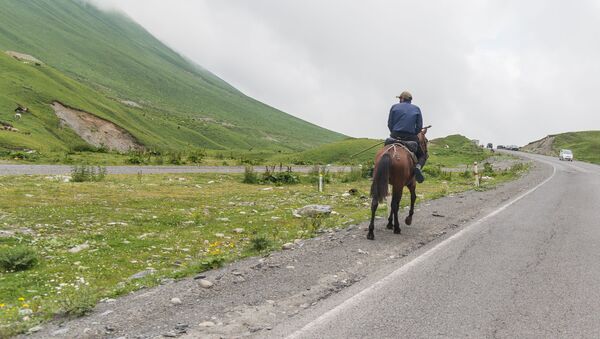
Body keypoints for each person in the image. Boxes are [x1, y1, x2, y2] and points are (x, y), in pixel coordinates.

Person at [388, 91, 428, 183]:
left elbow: (390, 124)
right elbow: (419, 127)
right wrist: (413, 133)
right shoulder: (417, 109)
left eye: (399, 99)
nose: (399, 100)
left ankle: (375, 168)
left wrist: (394, 133)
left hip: (394, 136)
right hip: (410, 137)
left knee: (386, 150)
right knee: (423, 155)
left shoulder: (394, 107)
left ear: (402, 98)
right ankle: (418, 168)